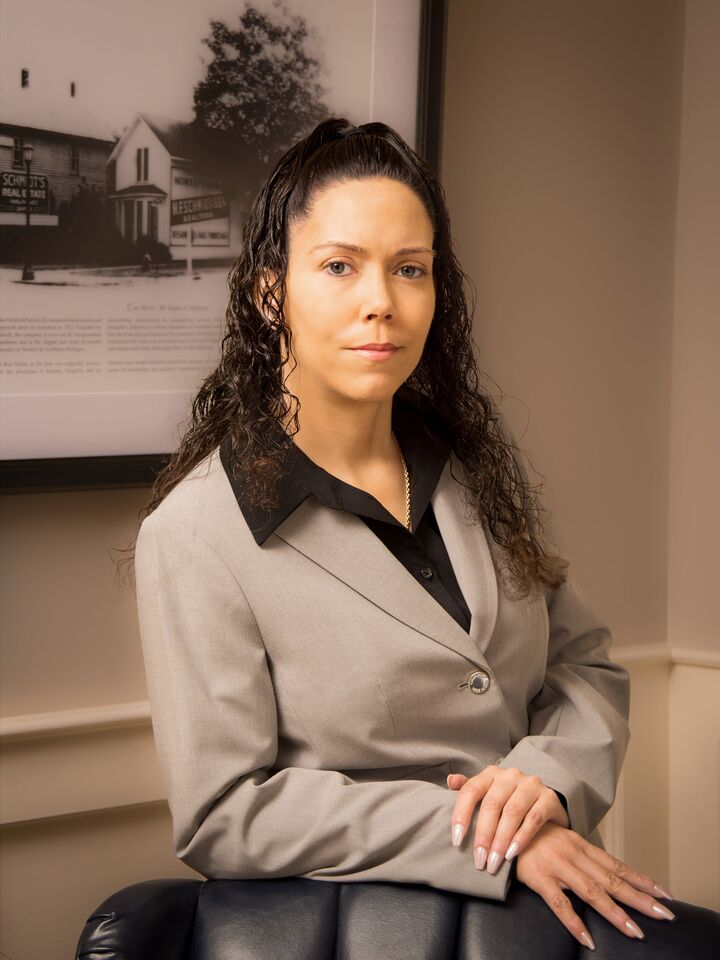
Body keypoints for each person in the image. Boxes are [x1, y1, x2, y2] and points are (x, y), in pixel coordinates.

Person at [130, 118, 718, 954]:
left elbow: (583, 664)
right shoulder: (194, 534)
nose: (382, 301)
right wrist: (482, 831)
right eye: (340, 266)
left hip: (545, 919)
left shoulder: (476, 474)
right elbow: (225, 811)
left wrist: (546, 781)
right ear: (269, 295)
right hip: (377, 933)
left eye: (410, 268)